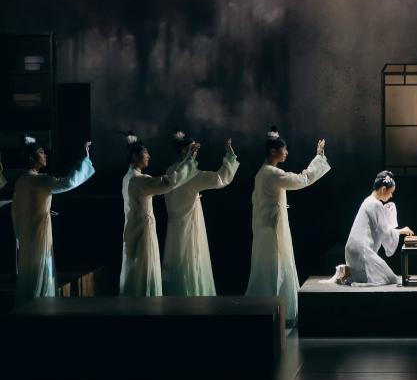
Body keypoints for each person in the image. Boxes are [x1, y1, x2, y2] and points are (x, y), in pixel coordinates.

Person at [246, 127, 330, 324]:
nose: (287, 152)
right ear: (273, 151)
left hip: (265, 228)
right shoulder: (272, 173)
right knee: (275, 267)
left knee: (268, 267)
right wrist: (318, 158)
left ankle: (270, 311)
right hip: (272, 230)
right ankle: (273, 312)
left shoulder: (261, 173)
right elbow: (302, 179)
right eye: (284, 149)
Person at [11, 136, 95, 303]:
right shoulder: (39, 180)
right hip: (38, 233)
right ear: (31, 158)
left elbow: (16, 211)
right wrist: (84, 160)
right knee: (41, 268)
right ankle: (40, 306)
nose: (45, 155)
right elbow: (69, 182)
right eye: (41, 152)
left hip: (27, 234)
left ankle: (27, 306)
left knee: (29, 270)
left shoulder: (21, 181)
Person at [162, 129, 240, 296]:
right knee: (190, 259)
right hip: (189, 225)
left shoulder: (170, 171)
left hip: (174, 227)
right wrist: (230, 157)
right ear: (184, 151)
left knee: (177, 260)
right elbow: (220, 178)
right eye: (193, 149)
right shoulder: (191, 175)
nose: (196, 152)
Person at [121, 131, 199, 296]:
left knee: (135, 268)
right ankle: (146, 303)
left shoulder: (128, 177)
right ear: (135, 157)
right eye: (145, 153)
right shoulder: (139, 180)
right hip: (143, 231)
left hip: (132, 228)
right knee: (145, 266)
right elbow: (168, 182)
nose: (149, 156)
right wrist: (189, 161)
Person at [333, 170, 414, 285]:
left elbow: (380, 227)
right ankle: (351, 274)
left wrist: (385, 213)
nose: (391, 195)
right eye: (391, 192)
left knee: (375, 275)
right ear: (383, 189)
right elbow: (385, 232)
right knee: (390, 278)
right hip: (362, 251)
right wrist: (401, 231)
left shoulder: (368, 200)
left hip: (351, 249)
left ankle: (350, 272)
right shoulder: (376, 204)